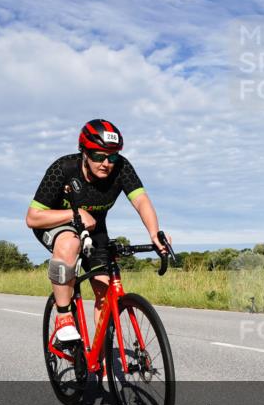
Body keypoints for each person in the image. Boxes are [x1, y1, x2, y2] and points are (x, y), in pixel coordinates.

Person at [25, 120, 169, 344]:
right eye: (98, 156)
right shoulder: (63, 169)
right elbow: (33, 217)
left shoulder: (122, 167)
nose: (106, 163)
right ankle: (63, 317)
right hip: (54, 223)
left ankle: (100, 359)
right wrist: (75, 215)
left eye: (112, 157)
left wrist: (154, 233)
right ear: (84, 152)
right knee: (69, 243)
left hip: (94, 231)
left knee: (104, 290)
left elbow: (141, 201)